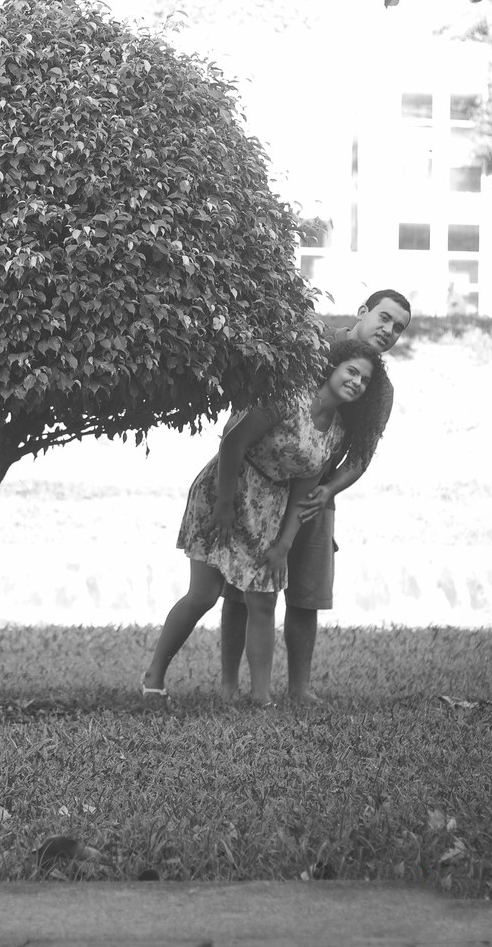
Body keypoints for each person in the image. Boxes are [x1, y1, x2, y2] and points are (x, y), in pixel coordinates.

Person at [142, 339, 389, 707]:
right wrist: (223, 506)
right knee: (204, 595)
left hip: (268, 506)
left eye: (364, 380)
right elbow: (232, 443)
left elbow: (304, 489)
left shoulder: (336, 432)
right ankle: (154, 677)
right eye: (351, 371)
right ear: (333, 367)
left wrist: (283, 546)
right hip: (225, 490)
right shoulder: (290, 398)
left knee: (263, 599)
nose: (356, 381)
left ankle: (261, 698)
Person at [219, 289, 411, 704]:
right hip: (262, 480)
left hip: (316, 492)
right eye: (384, 317)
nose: (389, 330)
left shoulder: (381, 389)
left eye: (398, 327)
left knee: (306, 591)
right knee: (242, 586)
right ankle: (229, 685)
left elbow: (361, 456)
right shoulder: (314, 342)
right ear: (363, 311)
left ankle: (299, 690)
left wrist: (328, 490)